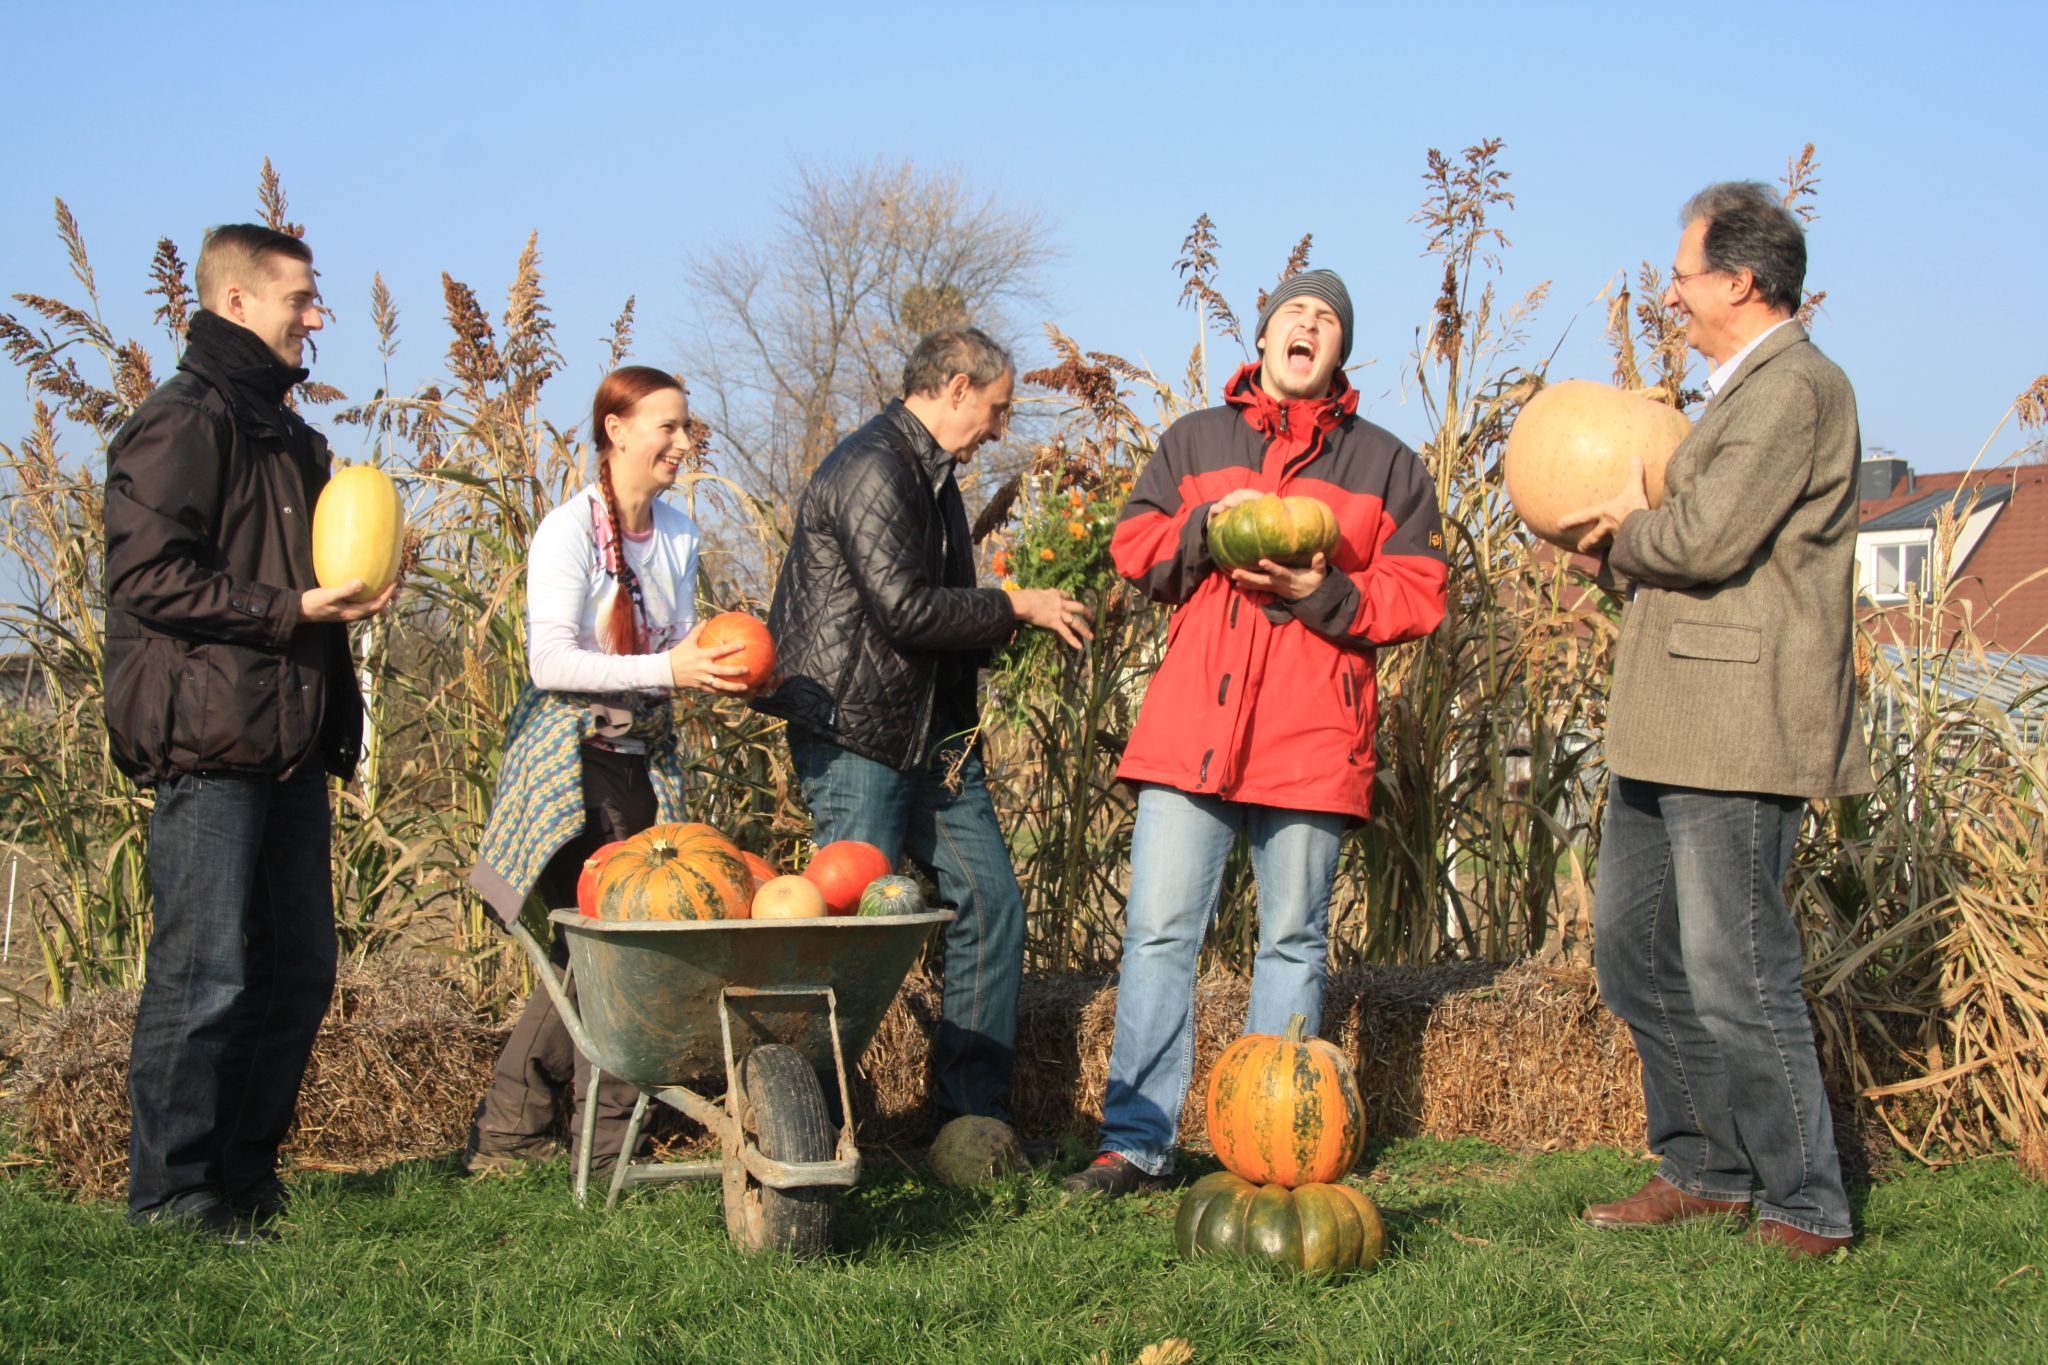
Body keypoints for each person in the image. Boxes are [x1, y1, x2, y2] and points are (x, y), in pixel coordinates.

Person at [1065, 269, 1449, 1197]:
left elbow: (1422, 590)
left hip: (1312, 736)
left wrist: (1329, 596)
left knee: (1292, 942)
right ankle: (1137, 1143)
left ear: (1339, 351)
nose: (1308, 326)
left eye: (1326, 319)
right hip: (1192, 730)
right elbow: (1135, 546)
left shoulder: (1387, 464)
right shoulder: (1196, 440)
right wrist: (1207, 527)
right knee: (1159, 934)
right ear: (1266, 337)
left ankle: (1270, 1146)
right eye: (1293, 314)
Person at [1561, 182, 1871, 1257]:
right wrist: (1622, 550)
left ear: (1739, 282)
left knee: (1736, 968)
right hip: (1667, 718)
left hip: (1737, 722)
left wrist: (1618, 537)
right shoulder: (1738, 390)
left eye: (1683, 275)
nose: (1671, 295)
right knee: (1631, 953)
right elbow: (1687, 548)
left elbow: (1704, 539)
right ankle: (1704, 1164)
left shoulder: (1794, 387)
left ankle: (1806, 1203)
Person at [104, 223, 397, 1241]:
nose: (317, 317)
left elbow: (319, 585)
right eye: (301, 299)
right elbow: (146, 576)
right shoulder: (181, 421)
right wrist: (290, 610)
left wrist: (346, 602)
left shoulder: (296, 440)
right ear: (237, 303)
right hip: (210, 743)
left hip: (290, 744)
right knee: (205, 974)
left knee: (299, 973)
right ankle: (170, 1194)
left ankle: (242, 1178)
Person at [753, 326, 1090, 1122]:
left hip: (934, 738)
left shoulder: (931, 476)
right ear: (958, 386)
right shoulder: (875, 465)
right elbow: (903, 608)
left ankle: (968, 1116)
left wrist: (994, 641)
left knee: (993, 902)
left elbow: (924, 624)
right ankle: (810, 1127)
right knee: (851, 933)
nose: (1002, 429)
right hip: (858, 736)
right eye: (999, 409)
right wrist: (1015, 606)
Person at [465, 366, 748, 1176]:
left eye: (686, 426)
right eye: (666, 425)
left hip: (643, 768)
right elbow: (550, 658)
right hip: (568, 768)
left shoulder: (680, 536)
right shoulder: (568, 530)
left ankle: (515, 1134)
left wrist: (735, 671)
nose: (683, 442)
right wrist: (672, 671)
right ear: (616, 429)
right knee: (609, 958)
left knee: (589, 961)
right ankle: (600, 1140)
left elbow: (683, 649)